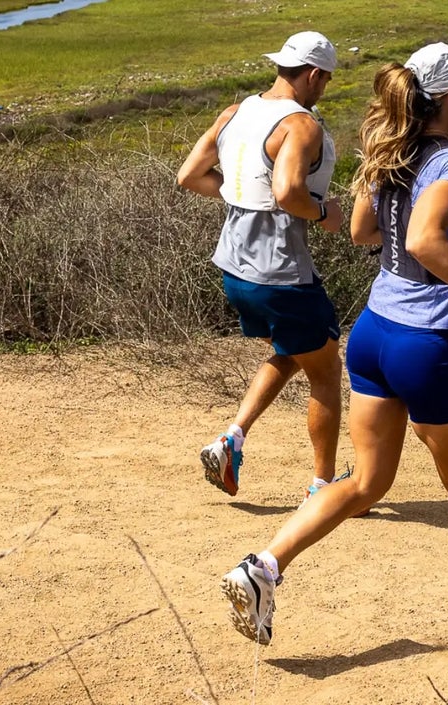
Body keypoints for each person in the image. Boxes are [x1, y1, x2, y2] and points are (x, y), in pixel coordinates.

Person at [220, 42, 448, 651]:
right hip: (425, 347)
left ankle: (262, 569)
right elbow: (425, 239)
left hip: (374, 332)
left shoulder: (388, 154)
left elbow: (360, 231)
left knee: (367, 483)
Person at [175, 31, 346, 499]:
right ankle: (323, 489)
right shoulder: (301, 125)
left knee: (296, 351)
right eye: (326, 79)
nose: (325, 87)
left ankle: (231, 439)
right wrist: (324, 213)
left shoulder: (236, 112)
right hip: (281, 271)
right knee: (327, 370)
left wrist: (242, 199)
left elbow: (189, 176)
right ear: (313, 74)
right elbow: (290, 193)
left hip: (234, 266)